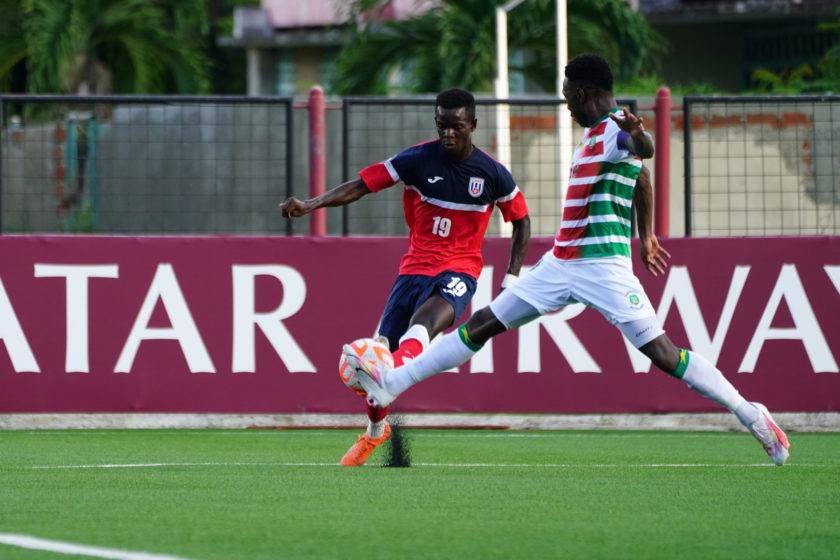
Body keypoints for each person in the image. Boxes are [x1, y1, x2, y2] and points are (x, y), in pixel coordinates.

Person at [342, 54, 790, 467]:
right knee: (481, 325)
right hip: (559, 263)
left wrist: (639, 135)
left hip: (604, 268)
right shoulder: (593, 136)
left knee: (664, 354)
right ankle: (393, 383)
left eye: (566, 97)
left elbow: (643, 149)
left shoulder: (616, 129)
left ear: (580, 93)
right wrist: (648, 233)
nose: (566, 106)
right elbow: (642, 177)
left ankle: (750, 413)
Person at [280, 88, 531, 466]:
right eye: (442, 125)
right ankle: (377, 431)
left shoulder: (493, 174)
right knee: (381, 347)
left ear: (473, 126)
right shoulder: (416, 160)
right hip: (413, 270)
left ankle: (388, 377)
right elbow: (362, 186)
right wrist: (311, 203)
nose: (448, 133)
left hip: (459, 270)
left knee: (420, 329)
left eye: (456, 127)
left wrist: (512, 279)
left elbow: (521, 221)